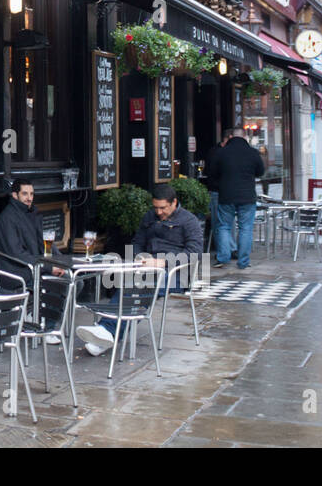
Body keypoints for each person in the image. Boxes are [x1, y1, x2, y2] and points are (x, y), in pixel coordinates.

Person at [75, 184, 203, 355]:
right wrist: (140, 256)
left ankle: (107, 331)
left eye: (163, 208)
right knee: (127, 283)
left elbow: (195, 253)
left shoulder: (189, 221)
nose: (158, 212)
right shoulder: (150, 216)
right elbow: (137, 242)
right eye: (155, 207)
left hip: (176, 273)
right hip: (147, 268)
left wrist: (162, 262)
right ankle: (105, 336)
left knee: (139, 287)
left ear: (174, 203)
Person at [211, 128, 265, 269]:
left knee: (223, 227)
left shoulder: (222, 152)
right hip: (247, 196)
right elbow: (261, 172)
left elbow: (213, 173)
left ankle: (223, 258)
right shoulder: (252, 152)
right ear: (245, 137)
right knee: (245, 228)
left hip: (226, 195)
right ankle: (243, 262)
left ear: (230, 137)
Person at [0, 179, 43, 265]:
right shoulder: (7, 218)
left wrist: (58, 260)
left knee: (67, 273)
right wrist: (47, 267)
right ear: (15, 195)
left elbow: (44, 242)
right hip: (16, 270)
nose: (29, 198)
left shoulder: (32, 213)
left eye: (31, 194)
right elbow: (16, 253)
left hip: (34, 264)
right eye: (25, 194)